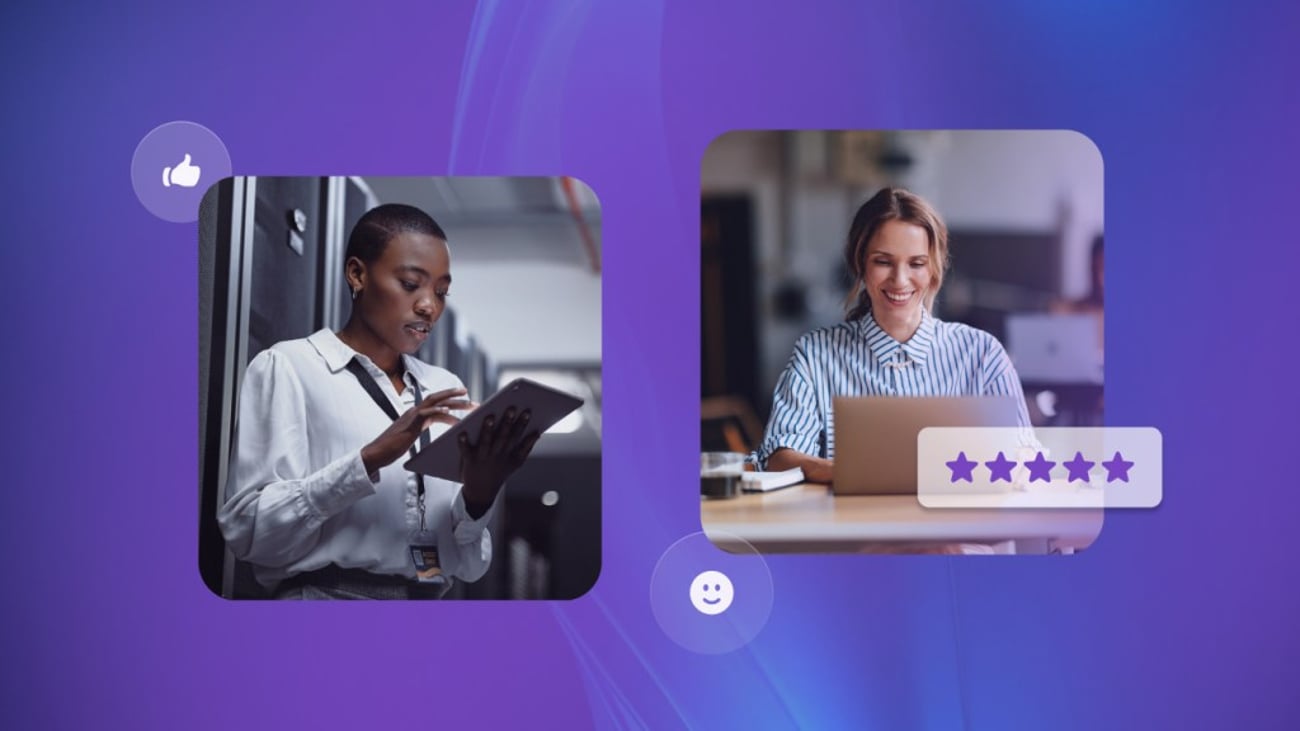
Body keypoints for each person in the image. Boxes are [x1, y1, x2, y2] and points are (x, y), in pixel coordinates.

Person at [219, 203, 540, 599]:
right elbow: (249, 532)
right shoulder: (289, 367)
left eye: (441, 292)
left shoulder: (446, 387)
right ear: (357, 274)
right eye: (410, 284)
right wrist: (368, 459)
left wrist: (479, 495)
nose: (429, 306)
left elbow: (470, 565)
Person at [752, 187, 1031, 483]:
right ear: (860, 263)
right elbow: (780, 457)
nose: (900, 280)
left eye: (916, 263)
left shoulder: (983, 353)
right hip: (856, 528)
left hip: (959, 528)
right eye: (883, 261)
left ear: (934, 269)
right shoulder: (815, 354)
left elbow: (1024, 457)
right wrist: (852, 473)